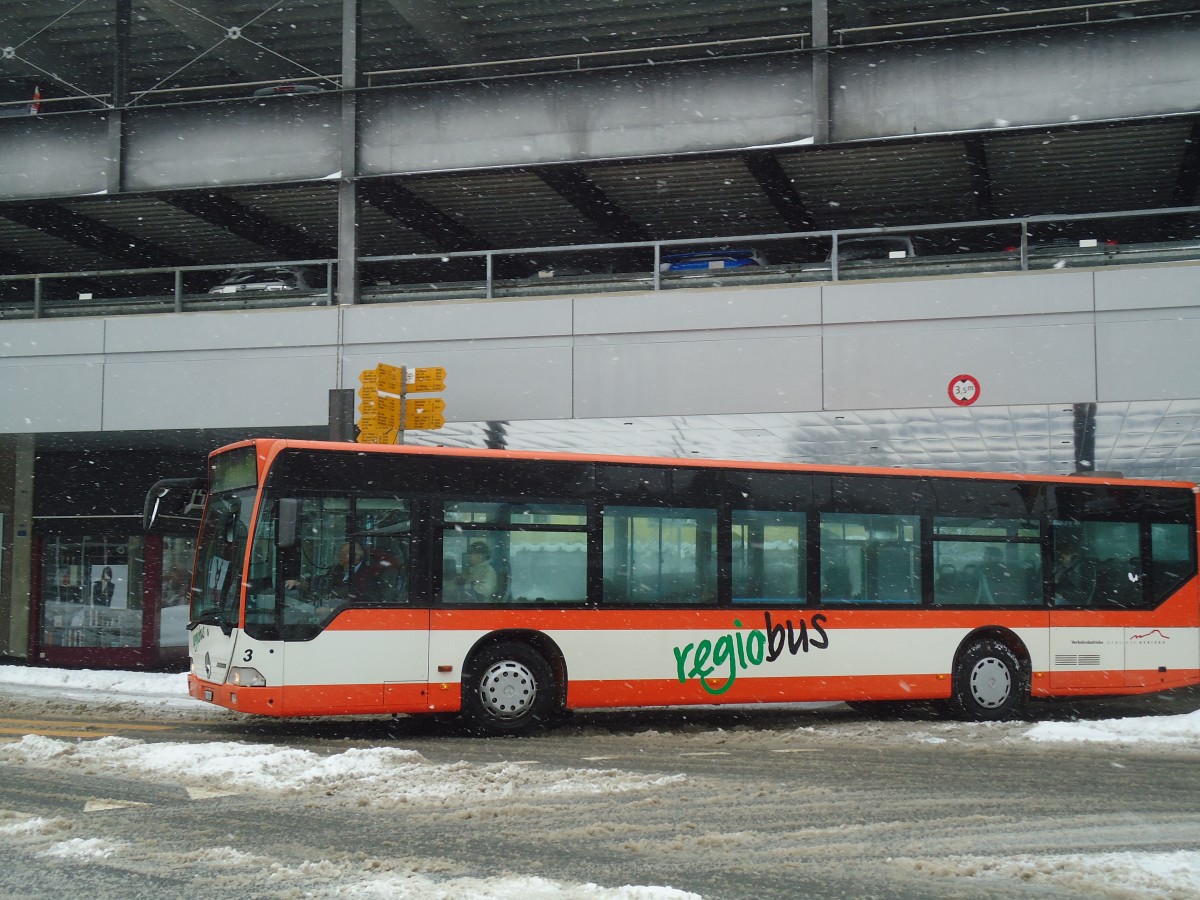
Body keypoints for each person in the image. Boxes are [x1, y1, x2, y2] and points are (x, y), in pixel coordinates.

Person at [287, 540, 399, 605]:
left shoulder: (369, 574)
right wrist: (302, 583)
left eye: (342, 553)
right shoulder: (338, 569)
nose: (338, 556)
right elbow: (323, 581)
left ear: (355, 557)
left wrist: (332, 604)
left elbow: (362, 597)